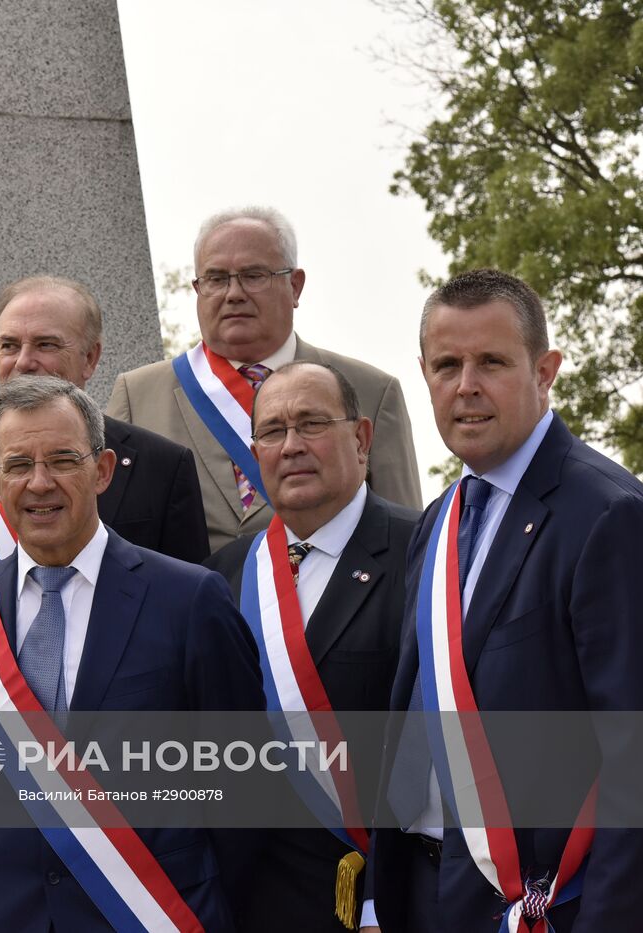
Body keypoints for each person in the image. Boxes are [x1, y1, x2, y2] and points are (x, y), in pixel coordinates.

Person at [0, 374, 263, 931]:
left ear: (101, 471)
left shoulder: (189, 600)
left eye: (62, 460)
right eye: (19, 465)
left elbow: (243, 787)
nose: (40, 483)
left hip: (148, 913)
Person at [0, 275, 209, 859]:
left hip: (133, 798)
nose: (25, 361)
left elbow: (196, 635)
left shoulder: (162, 467)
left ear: (90, 359)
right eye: (10, 345)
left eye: (46, 344)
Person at [365, 269, 643, 932]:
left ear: (545, 370)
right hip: (430, 896)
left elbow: (633, 754)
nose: (466, 386)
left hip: (548, 908)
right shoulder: (438, 521)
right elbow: (413, 718)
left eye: (491, 361)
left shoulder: (606, 514)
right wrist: (381, 895)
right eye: (446, 364)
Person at [204, 361, 417, 932]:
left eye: (312, 424)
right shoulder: (219, 578)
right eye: (273, 431)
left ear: (362, 438)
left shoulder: (423, 553)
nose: (291, 446)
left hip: (384, 897)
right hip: (250, 903)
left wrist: (383, 901)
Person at [105, 207, 422, 551]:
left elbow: (404, 540)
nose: (234, 293)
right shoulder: (138, 396)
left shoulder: (372, 392)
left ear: (295, 285)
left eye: (253, 275)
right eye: (216, 278)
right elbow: (113, 539)